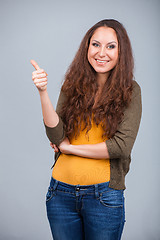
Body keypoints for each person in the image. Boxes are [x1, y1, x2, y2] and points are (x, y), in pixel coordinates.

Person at [31, 19, 142, 240]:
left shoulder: (131, 90)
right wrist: (42, 91)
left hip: (103, 196)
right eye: (95, 44)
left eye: (111, 46)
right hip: (60, 193)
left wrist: (70, 149)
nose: (102, 52)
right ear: (87, 48)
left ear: (122, 52)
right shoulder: (71, 85)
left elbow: (120, 147)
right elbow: (56, 135)